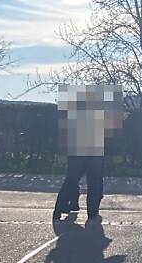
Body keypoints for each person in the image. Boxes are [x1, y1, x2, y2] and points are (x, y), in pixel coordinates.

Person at [53, 85, 123, 222]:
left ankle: (58, 210)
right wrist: (113, 153)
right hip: (95, 150)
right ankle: (92, 213)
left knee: (70, 181)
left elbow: (65, 132)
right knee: (94, 182)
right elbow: (110, 135)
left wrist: (62, 152)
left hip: (76, 149)